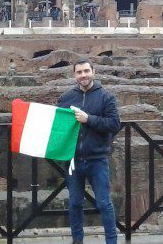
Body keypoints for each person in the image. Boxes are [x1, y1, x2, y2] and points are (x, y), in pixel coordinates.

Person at [57, 59, 121, 244]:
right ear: (74, 75)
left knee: (104, 203)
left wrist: (89, 119)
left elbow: (114, 124)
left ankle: (111, 241)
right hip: (73, 160)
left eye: (86, 71)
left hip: (97, 158)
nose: (83, 75)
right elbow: (58, 127)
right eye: (79, 72)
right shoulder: (66, 97)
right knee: (75, 203)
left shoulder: (106, 97)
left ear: (94, 72)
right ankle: (77, 240)